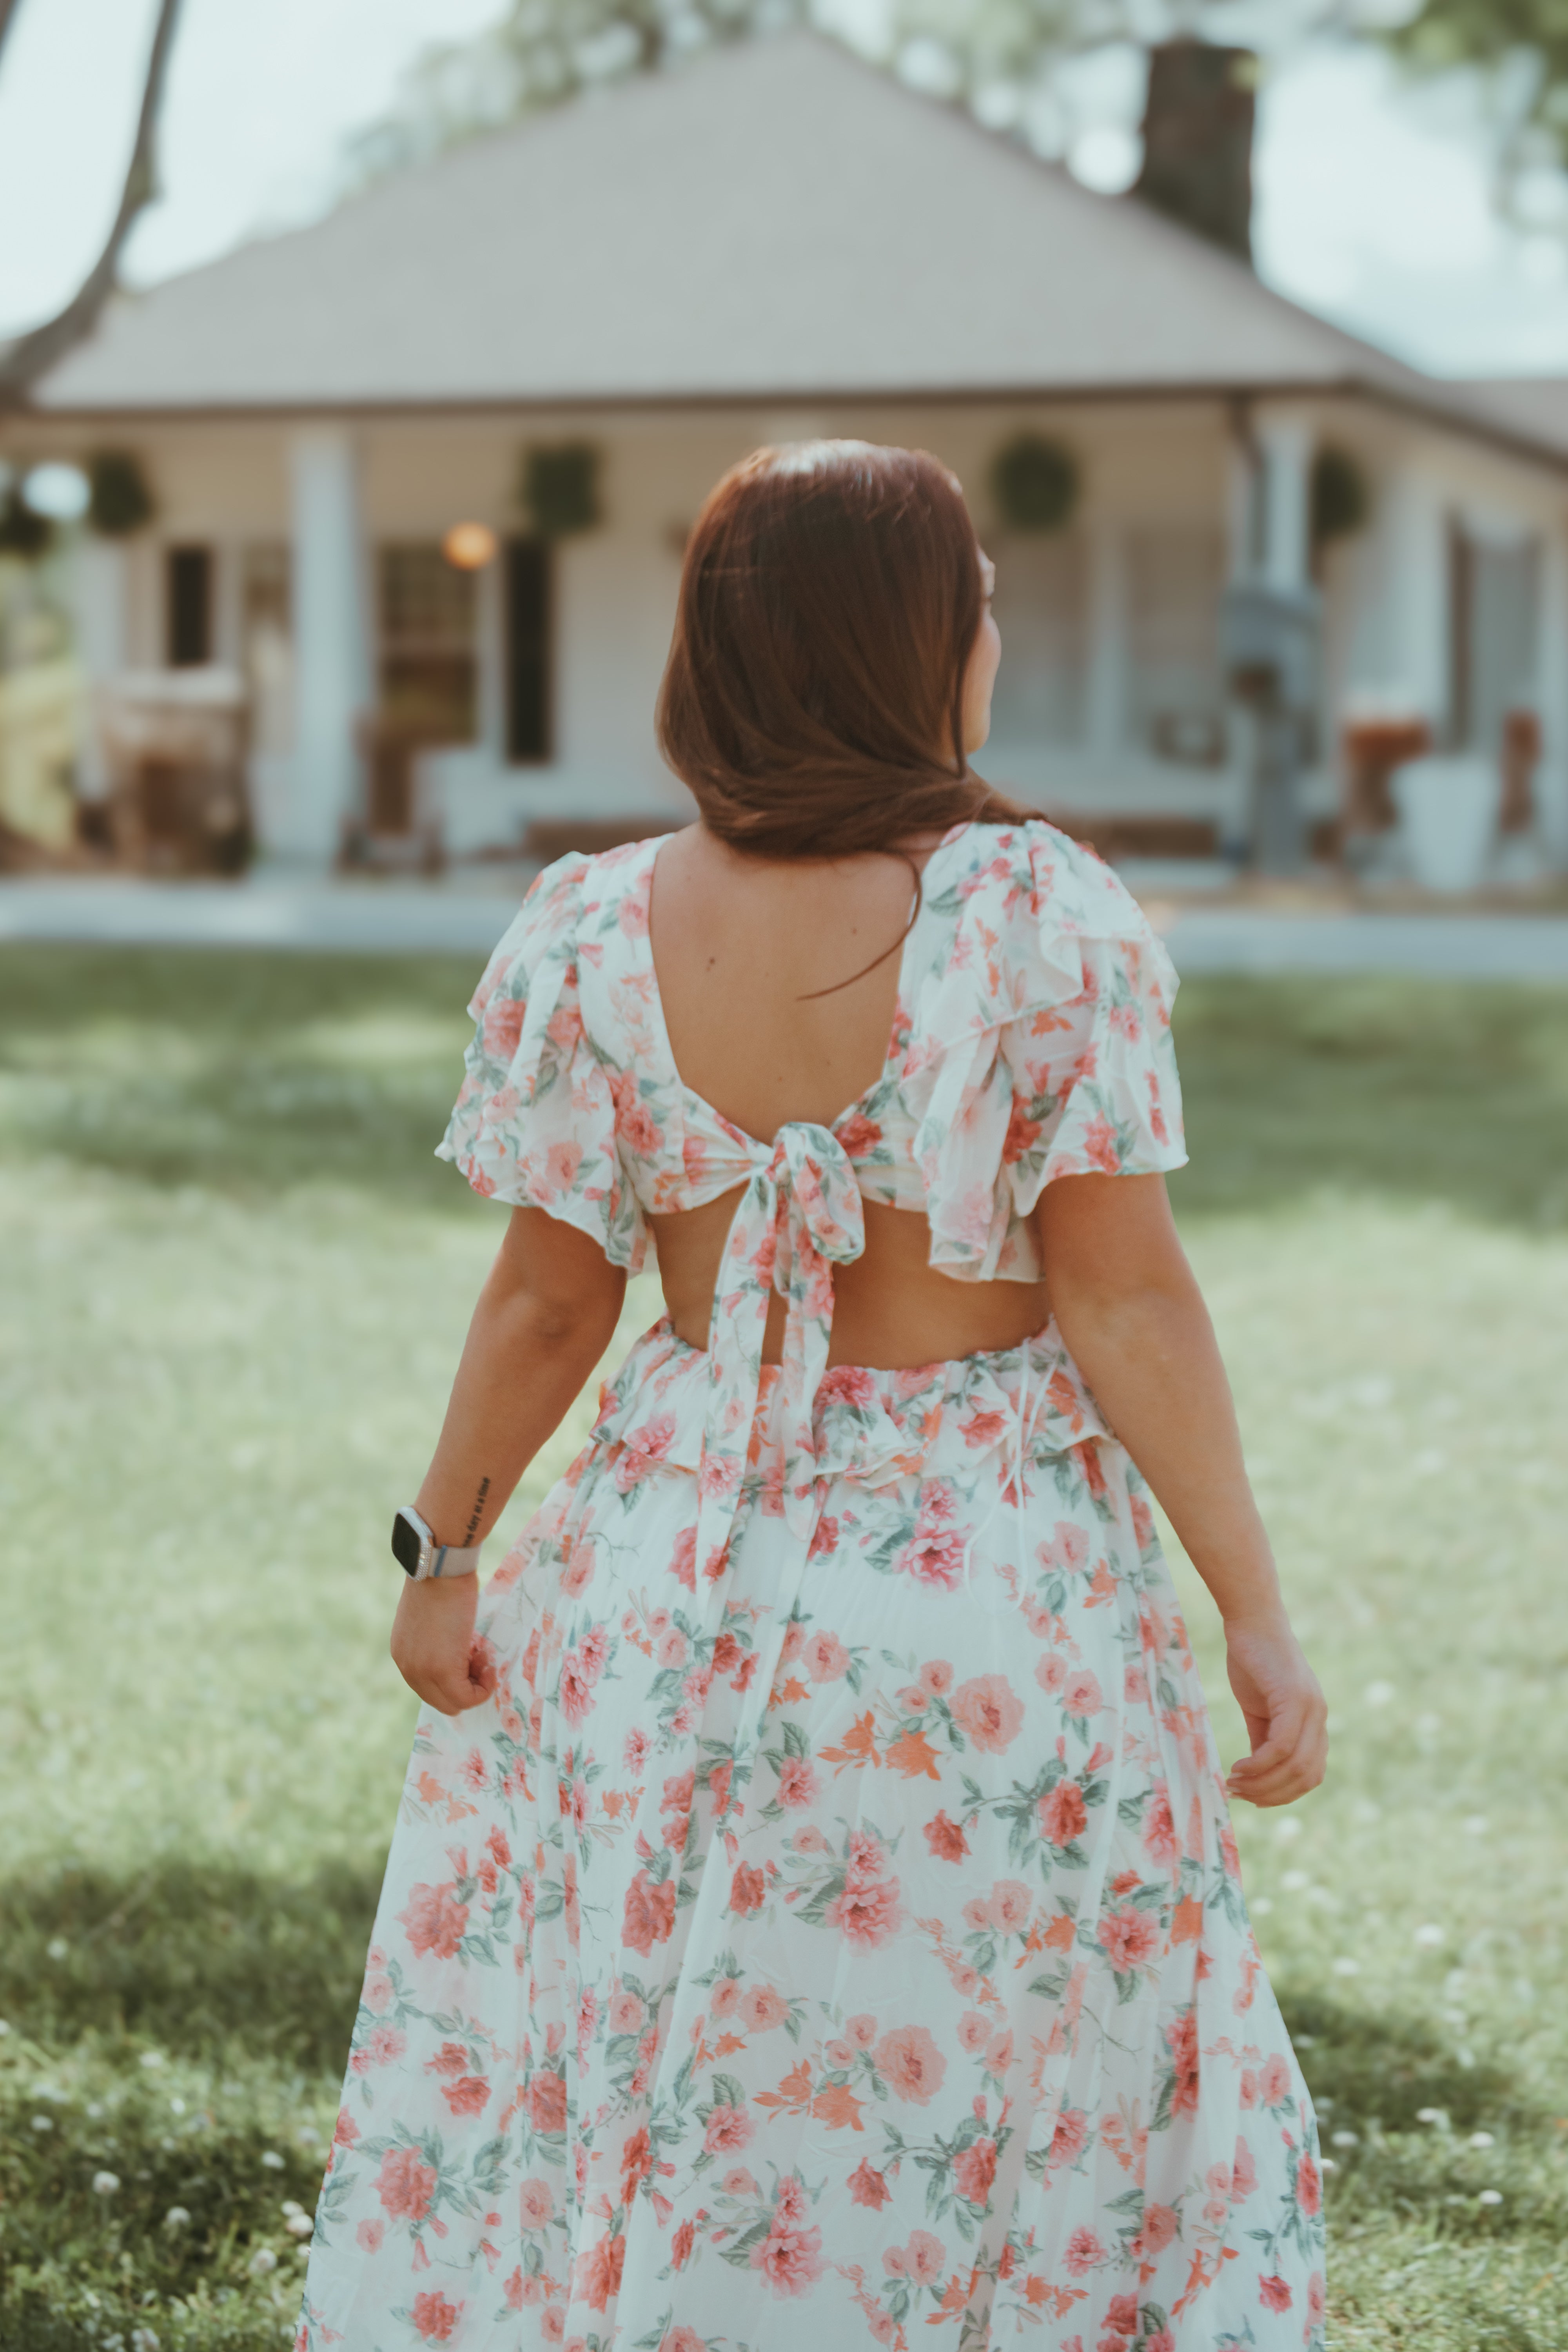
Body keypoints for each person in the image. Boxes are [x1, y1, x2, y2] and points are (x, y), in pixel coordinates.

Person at [299, 441, 1327, 2351]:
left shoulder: (592, 928)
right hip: (978, 1577)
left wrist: (445, 1551)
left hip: (659, 1579)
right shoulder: (1039, 912)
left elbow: (546, 1298)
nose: (995, 638)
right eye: (980, 607)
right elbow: (1125, 1298)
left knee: (675, 2051)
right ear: (907, 647)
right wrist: (1247, 1606)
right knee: (991, 2068)